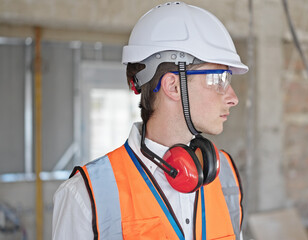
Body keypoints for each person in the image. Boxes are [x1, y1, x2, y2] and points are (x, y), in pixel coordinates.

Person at [52, 2, 248, 239]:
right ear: (173, 86)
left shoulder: (224, 173)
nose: (233, 98)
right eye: (219, 79)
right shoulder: (85, 194)